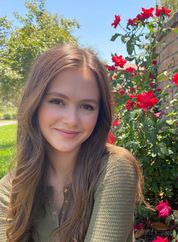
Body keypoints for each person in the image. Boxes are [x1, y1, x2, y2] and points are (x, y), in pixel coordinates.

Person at [0, 44, 146, 242]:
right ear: (35, 104)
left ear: (99, 113)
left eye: (87, 106)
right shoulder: (12, 187)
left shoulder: (115, 169)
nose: (72, 120)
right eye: (57, 101)